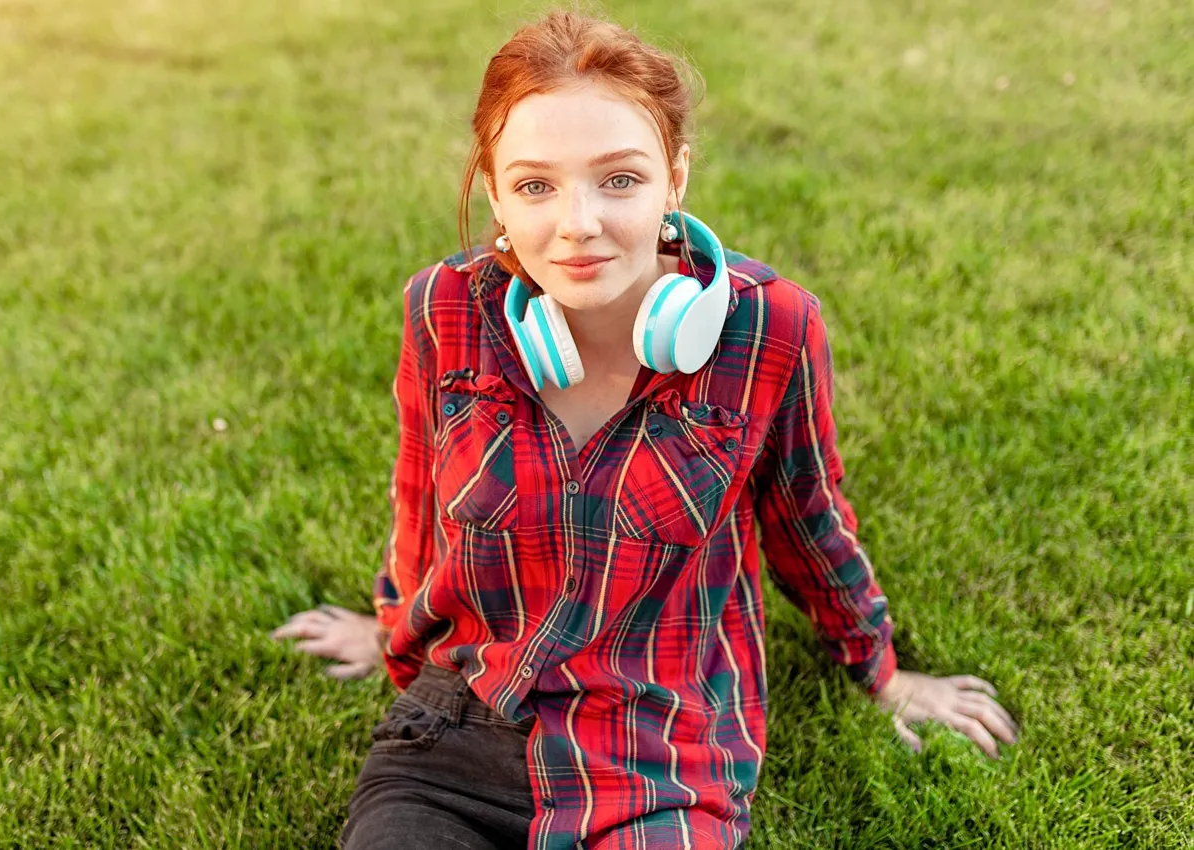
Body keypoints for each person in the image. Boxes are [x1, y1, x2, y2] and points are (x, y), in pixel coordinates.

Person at [272, 10, 1018, 849]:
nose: (577, 224)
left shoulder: (768, 329)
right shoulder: (445, 309)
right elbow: (420, 495)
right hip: (457, 728)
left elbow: (808, 519)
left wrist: (879, 668)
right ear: (495, 192)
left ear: (676, 178)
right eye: (535, 185)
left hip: (661, 749)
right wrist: (388, 627)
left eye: (619, 179)